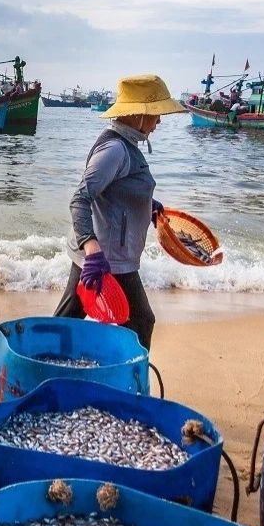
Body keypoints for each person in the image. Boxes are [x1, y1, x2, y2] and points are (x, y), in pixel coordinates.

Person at [54, 74, 186, 350]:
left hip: (112, 256)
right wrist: (91, 250)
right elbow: (80, 198)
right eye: (155, 114)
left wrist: (148, 206)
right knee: (139, 321)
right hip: (103, 259)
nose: (159, 121)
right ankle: (129, 381)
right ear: (137, 114)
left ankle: (51, 366)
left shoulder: (127, 146)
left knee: (69, 322)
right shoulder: (115, 149)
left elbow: (116, 194)